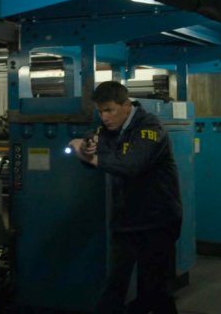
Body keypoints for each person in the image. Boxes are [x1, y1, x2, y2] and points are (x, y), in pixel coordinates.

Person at [69, 81, 182, 313]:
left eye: (109, 110)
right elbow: (96, 141)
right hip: (127, 220)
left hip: (157, 221)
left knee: (155, 288)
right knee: (116, 283)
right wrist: (87, 147)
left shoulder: (149, 128)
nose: (104, 117)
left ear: (127, 106)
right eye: (100, 112)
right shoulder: (109, 129)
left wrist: (91, 158)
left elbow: (131, 165)